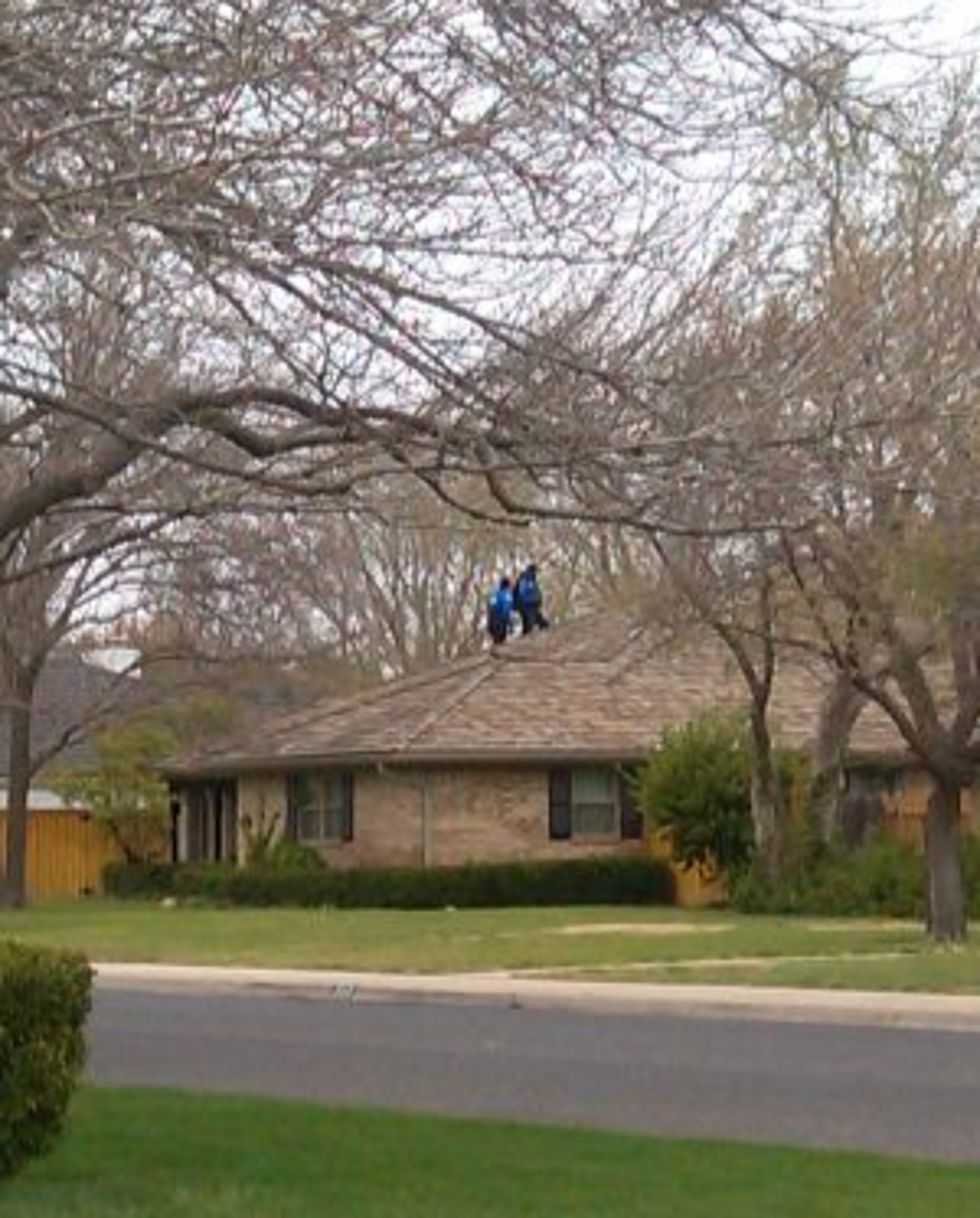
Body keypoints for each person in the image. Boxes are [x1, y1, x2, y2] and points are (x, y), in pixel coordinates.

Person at [513, 563, 549, 635]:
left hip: (527, 603)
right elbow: (523, 591)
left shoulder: (528, 578)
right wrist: (536, 599)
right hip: (528, 603)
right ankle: (530, 633)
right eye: (535, 571)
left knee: (534, 619)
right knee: (530, 620)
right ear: (532, 570)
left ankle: (543, 627)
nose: (536, 573)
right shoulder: (526, 578)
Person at [486, 576, 514, 644]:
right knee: (500, 641)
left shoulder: (494, 593)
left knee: (496, 640)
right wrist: (510, 623)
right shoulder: (507, 595)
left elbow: (490, 606)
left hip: (493, 619)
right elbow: (507, 609)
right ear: (508, 585)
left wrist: (489, 620)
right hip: (501, 620)